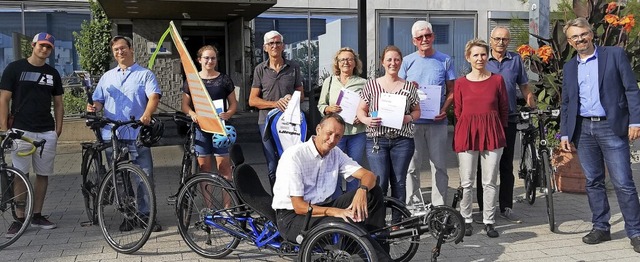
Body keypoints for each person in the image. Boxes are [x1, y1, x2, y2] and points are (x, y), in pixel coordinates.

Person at [559, 17, 640, 252]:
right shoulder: (570, 67)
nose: (580, 39)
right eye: (574, 36)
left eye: (583, 34)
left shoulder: (614, 55)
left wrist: (635, 120)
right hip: (583, 130)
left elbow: (631, 90)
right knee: (593, 181)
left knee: (623, 182)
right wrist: (565, 133)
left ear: (591, 33)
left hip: (611, 127)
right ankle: (601, 227)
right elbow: (567, 103)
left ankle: (635, 231)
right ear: (569, 41)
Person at [271, 113, 391, 260]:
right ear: (318, 129)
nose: (332, 140)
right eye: (329, 133)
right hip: (293, 217)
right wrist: (336, 212)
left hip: (322, 206)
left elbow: (369, 176)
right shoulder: (295, 156)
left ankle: (374, 245)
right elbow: (299, 207)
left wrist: (362, 190)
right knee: (344, 221)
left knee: (373, 192)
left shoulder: (335, 153)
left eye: (338, 136)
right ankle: (377, 256)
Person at [87, 35, 163, 232]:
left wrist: (147, 113)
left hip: (137, 132)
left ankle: (146, 215)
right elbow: (98, 100)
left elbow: (153, 97)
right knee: (119, 177)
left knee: (144, 176)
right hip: (112, 134)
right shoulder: (107, 77)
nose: (120, 52)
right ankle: (128, 214)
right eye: (116, 50)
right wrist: (93, 107)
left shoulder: (144, 74)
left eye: (123, 48)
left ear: (131, 49)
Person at [0, 32, 63, 236]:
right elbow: (4, 99)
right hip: (20, 130)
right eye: (41, 45)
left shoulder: (53, 73)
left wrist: (58, 127)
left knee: (43, 175)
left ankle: (36, 215)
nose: (44, 49)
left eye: (48, 47)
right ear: (33, 45)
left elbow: (59, 103)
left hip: (46, 130)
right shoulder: (15, 68)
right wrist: (4, 129)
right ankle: (19, 218)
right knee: (21, 174)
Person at [475, 25, 537, 224]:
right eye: (497, 39)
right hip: (486, 120)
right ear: (491, 40)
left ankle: (506, 207)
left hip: (508, 118)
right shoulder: (483, 59)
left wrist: (532, 104)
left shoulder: (515, 60)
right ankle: (484, 208)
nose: (501, 42)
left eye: (505, 39)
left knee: (506, 164)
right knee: (483, 166)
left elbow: (524, 86)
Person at [454, 39, 508, 238]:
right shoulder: (460, 83)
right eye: (475, 55)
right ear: (468, 57)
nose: (480, 58)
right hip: (468, 133)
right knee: (467, 180)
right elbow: (458, 112)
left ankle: (489, 221)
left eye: (483, 54)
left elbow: (503, 108)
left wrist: (499, 130)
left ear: (488, 57)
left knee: (490, 181)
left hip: (492, 133)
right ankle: (466, 219)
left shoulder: (497, 80)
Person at [400, 20, 455, 208]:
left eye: (428, 35)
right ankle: (413, 205)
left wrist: (444, 109)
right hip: (412, 122)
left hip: (437, 122)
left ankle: (439, 206)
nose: (424, 39)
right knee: (412, 167)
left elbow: (452, 90)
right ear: (414, 40)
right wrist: (408, 88)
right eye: (420, 37)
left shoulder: (445, 60)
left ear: (433, 36)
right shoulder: (406, 61)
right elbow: (398, 90)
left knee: (439, 166)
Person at [357, 45, 420, 211]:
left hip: (402, 141)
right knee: (380, 182)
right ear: (382, 63)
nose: (393, 63)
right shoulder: (371, 85)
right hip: (377, 141)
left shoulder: (409, 87)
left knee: (399, 182)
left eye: (397, 59)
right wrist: (367, 120)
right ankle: (380, 224)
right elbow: (361, 110)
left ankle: (399, 223)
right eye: (389, 60)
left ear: (401, 62)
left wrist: (409, 117)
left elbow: (417, 111)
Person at [249, 30, 304, 186]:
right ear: (265, 47)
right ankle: (277, 202)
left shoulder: (294, 67)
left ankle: (292, 197)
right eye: (271, 43)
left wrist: (291, 98)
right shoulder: (260, 69)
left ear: (283, 46)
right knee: (272, 162)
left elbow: (301, 94)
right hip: (266, 122)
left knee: (291, 160)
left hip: (289, 121)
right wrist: (275, 104)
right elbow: (252, 100)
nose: (274, 46)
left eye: (277, 42)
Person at [182, 45, 237, 181]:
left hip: (221, 128)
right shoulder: (192, 80)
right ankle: (209, 203)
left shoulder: (224, 79)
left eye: (213, 58)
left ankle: (227, 203)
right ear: (199, 60)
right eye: (206, 58)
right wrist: (193, 114)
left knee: (224, 167)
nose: (210, 61)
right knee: (204, 170)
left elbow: (234, 103)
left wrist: (229, 113)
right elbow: (184, 105)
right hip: (201, 128)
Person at [317, 47, 367, 196]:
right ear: (337, 63)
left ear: (355, 63)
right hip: (335, 133)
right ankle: (336, 200)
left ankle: (352, 200)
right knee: (333, 167)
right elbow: (321, 104)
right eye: (342, 59)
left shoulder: (363, 83)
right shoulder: (330, 81)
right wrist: (328, 108)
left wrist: (362, 116)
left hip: (356, 133)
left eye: (349, 59)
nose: (346, 62)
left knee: (354, 169)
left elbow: (370, 106)